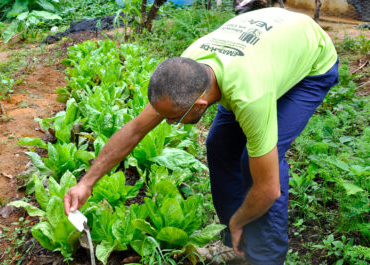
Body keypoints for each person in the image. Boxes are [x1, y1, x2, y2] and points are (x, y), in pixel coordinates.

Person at [63, 7, 339, 264]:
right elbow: (135, 129)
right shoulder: (188, 72)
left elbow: (269, 189)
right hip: (268, 47)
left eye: (174, 119)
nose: (169, 123)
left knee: (258, 165)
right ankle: (235, 243)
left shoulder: (250, 95)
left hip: (310, 64)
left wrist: (238, 220)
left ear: (199, 105)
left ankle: (265, 256)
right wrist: (87, 183)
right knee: (218, 146)